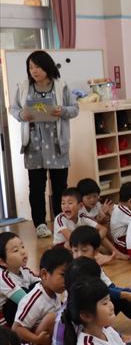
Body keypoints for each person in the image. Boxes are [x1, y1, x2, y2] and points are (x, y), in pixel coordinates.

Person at [9, 51, 79, 239]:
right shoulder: (24, 87)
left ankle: (60, 222)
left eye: (37, 67)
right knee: (36, 188)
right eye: (31, 67)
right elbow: (13, 109)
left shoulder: (61, 86)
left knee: (60, 187)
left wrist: (62, 111)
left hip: (57, 144)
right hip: (33, 145)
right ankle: (40, 224)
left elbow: (75, 109)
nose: (34, 71)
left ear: (47, 67)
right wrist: (22, 115)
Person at [61, 277, 125, 345]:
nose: (111, 306)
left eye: (109, 300)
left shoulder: (107, 330)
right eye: (105, 303)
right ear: (86, 315)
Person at [14, 247, 70, 345]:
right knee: (52, 317)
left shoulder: (55, 291)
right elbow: (16, 329)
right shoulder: (35, 299)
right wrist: (37, 339)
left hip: (46, 341)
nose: (67, 280)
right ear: (44, 274)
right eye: (63, 275)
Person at [0, 233, 38, 328]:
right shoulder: (3, 277)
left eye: (22, 247)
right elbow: (24, 300)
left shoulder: (24, 270)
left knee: (38, 286)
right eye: (16, 250)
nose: (23, 252)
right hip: (4, 317)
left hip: (20, 306)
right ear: (2, 262)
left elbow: (41, 284)